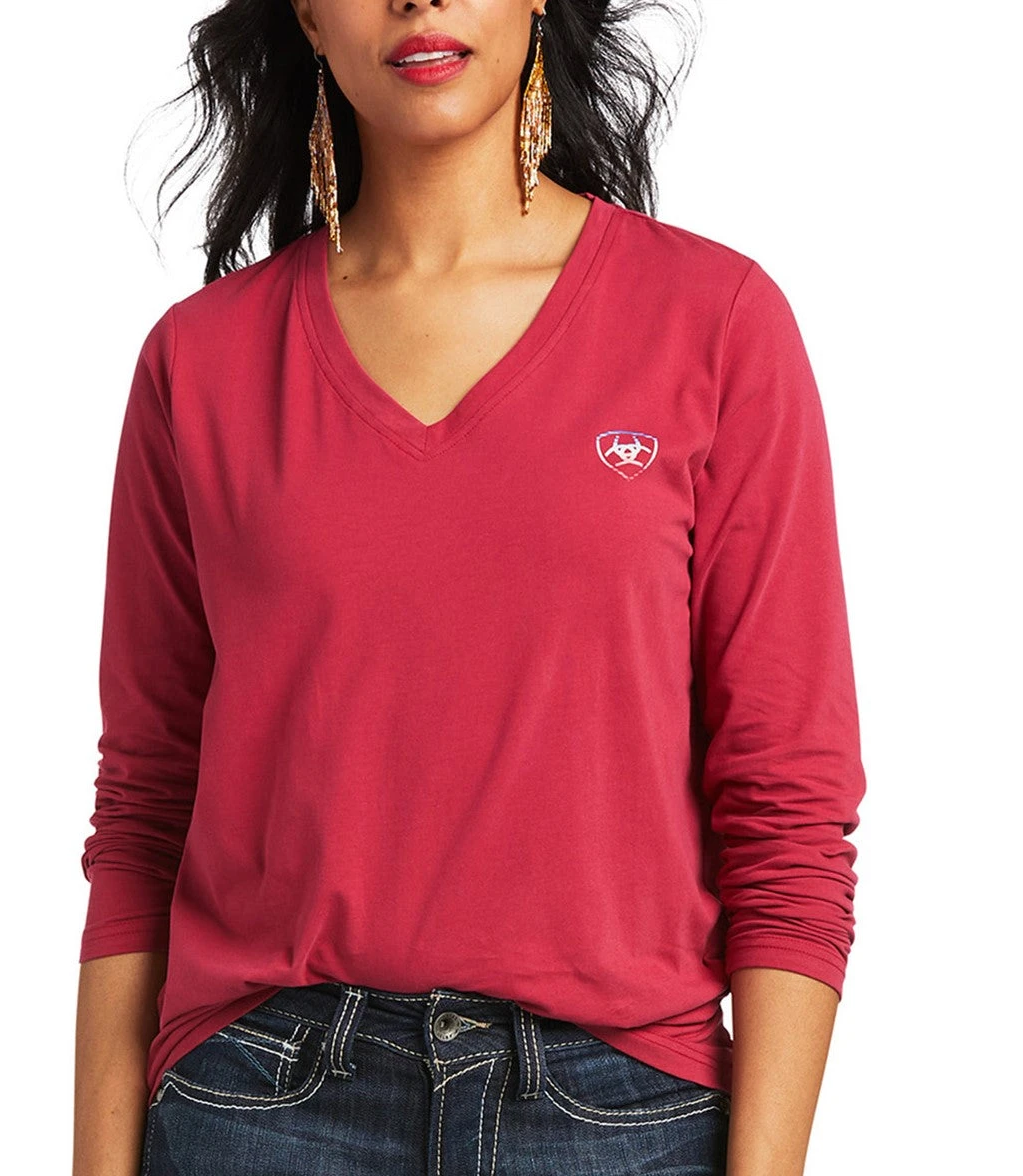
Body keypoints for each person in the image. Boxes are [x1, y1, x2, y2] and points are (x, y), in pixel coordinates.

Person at [72, 2, 867, 1174]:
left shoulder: (714, 326)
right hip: (265, 1107)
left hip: (621, 1116)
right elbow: (145, 808)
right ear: (307, 14)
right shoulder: (202, 362)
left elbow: (788, 807)